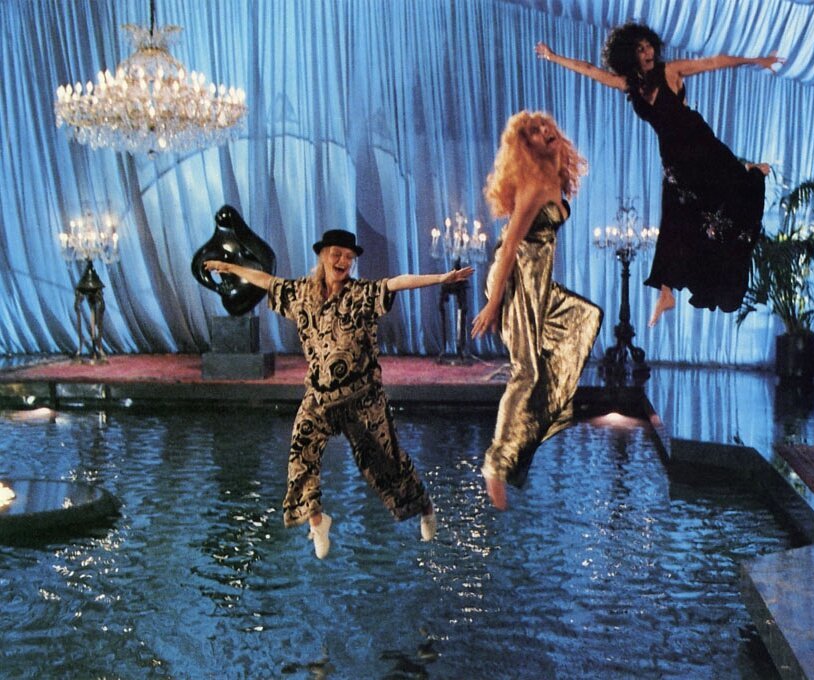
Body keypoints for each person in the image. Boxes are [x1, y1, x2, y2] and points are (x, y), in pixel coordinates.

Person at [205, 230, 472, 559]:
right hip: (319, 395)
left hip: (363, 398)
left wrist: (441, 278)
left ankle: (425, 507)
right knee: (301, 452)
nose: (343, 261)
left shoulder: (361, 294)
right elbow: (267, 281)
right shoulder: (302, 293)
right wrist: (231, 269)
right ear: (322, 256)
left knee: (386, 463)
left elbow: (396, 283)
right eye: (337, 254)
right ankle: (317, 522)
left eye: (349, 257)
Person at [536, 23, 783, 326]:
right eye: (640, 49)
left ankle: (749, 171)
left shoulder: (671, 71)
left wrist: (757, 61)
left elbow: (714, 62)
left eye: (649, 46)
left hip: (699, 144)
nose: (648, 52)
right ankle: (666, 293)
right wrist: (553, 57)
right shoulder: (629, 84)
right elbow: (590, 70)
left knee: (727, 192)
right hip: (674, 159)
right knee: (675, 220)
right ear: (630, 55)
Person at [470, 111, 602, 510]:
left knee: (584, 317)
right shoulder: (532, 186)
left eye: (546, 126)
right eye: (534, 131)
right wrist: (493, 303)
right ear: (525, 145)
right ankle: (496, 466)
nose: (545, 132)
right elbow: (510, 246)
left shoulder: (553, 177)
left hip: (538, 281)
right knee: (526, 371)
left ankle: (530, 430)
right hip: (516, 278)